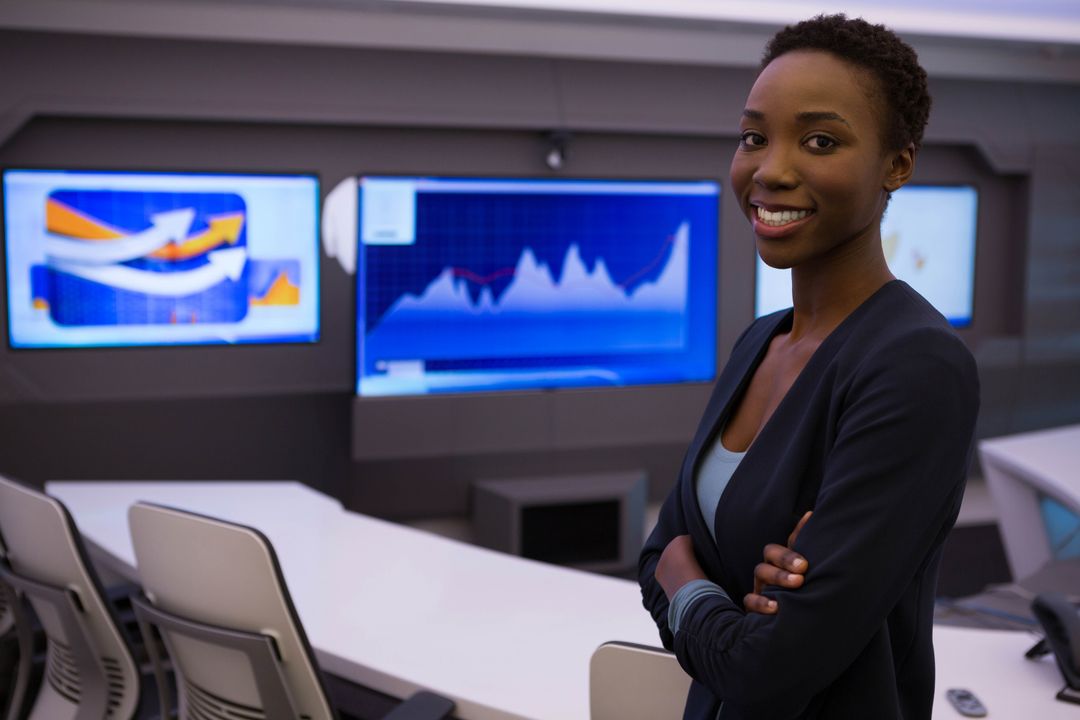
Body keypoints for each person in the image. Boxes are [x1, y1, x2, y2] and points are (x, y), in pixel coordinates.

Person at [638, 14, 980, 720]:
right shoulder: (759, 342)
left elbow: (765, 667)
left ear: (897, 164)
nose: (771, 169)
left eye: (820, 141)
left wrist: (689, 579)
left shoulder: (917, 365)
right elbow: (651, 559)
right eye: (754, 137)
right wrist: (710, 595)